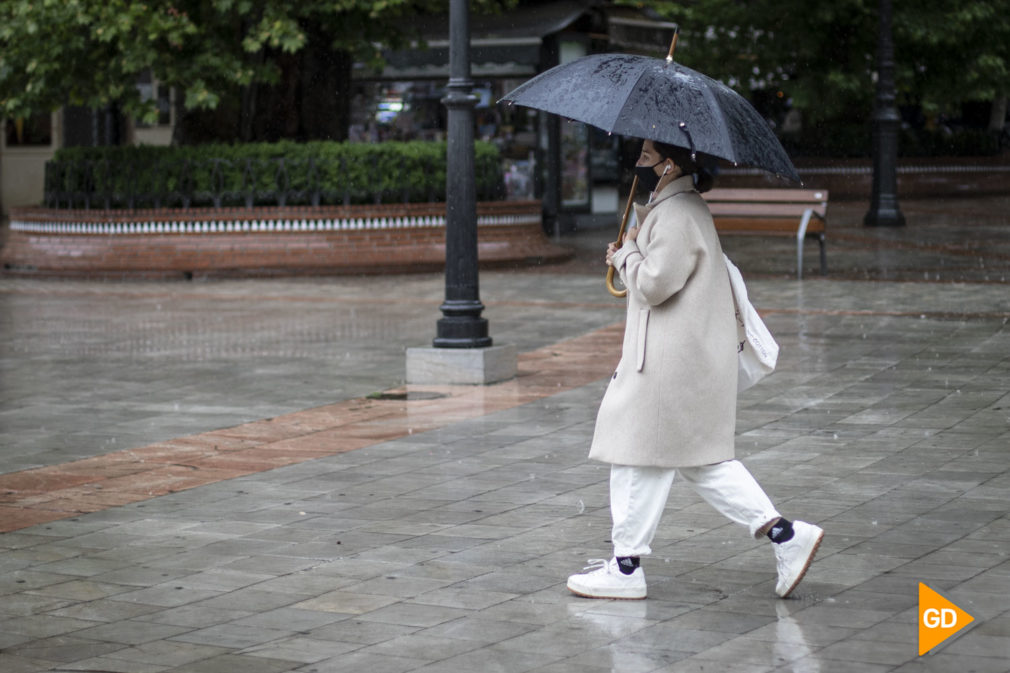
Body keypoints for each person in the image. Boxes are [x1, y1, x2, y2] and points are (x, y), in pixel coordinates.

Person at [566, 139, 823, 600]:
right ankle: (784, 534)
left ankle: (626, 568)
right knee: (698, 462)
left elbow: (655, 284)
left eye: (645, 160)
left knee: (637, 454)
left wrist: (625, 255)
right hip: (676, 360)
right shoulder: (675, 209)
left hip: (667, 365)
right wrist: (629, 250)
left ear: (669, 167)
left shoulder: (679, 213)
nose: (637, 166)